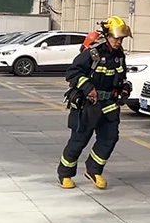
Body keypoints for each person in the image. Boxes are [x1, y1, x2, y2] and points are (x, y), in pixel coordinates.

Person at [57, 16, 133, 190]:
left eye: (121, 39)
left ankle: (94, 170)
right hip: (88, 104)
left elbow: (121, 78)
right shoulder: (93, 53)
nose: (119, 42)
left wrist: (124, 89)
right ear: (107, 36)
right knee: (79, 140)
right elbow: (72, 72)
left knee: (110, 138)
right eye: (116, 38)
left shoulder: (119, 55)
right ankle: (65, 174)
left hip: (109, 104)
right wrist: (88, 88)